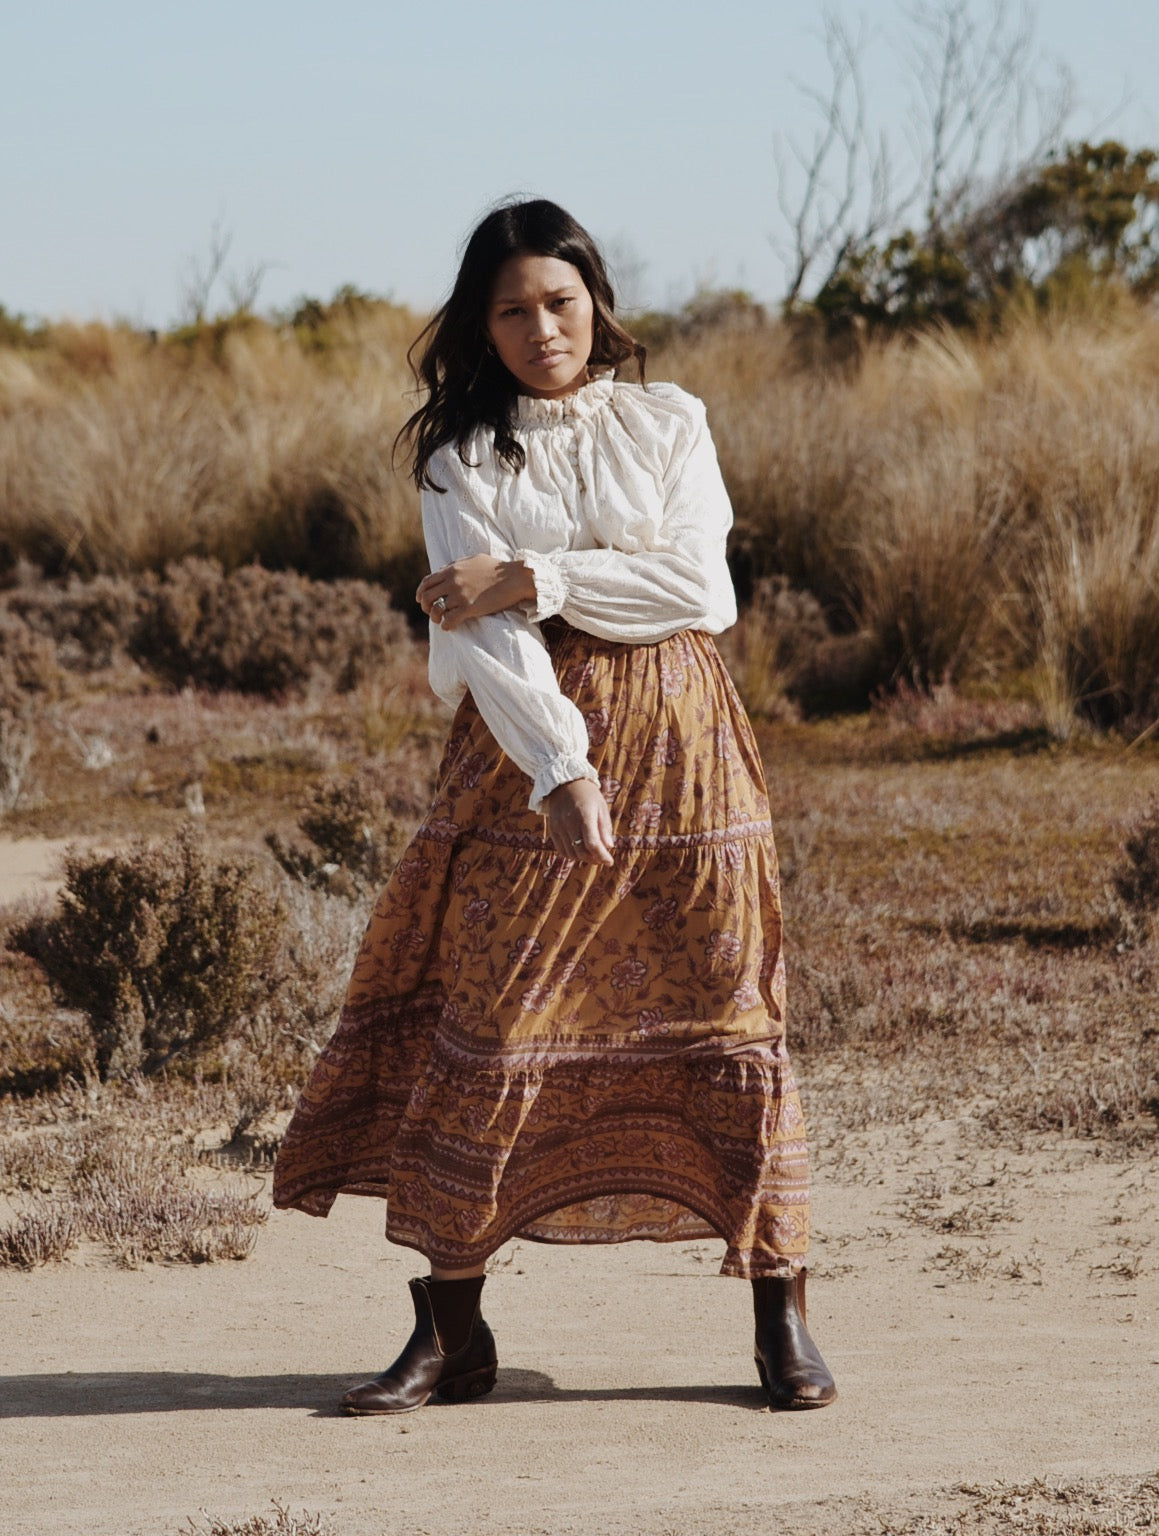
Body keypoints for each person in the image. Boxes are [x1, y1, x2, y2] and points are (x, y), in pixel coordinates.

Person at [272, 198, 836, 1415]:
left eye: (561, 302)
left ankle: (779, 1311)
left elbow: (698, 585)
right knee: (492, 1016)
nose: (543, 329)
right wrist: (563, 770)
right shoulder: (460, 459)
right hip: (525, 761)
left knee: (728, 1008)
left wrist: (535, 573)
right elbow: (488, 645)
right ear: (483, 325)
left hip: (688, 750)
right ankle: (450, 1336)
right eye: (514, 310)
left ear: (598, 300)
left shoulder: (667, 420)